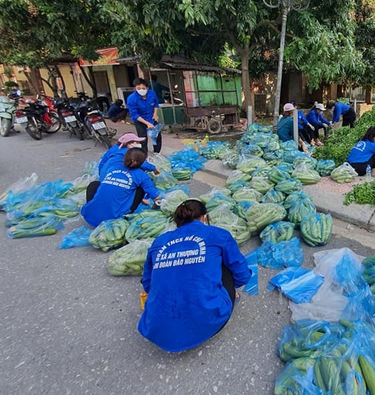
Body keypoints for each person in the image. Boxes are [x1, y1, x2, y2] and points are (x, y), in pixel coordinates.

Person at [138, 199, 251, 353]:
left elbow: (147, 283)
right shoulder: (217, 234)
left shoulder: (160, 241)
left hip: (155, 327)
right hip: (206, 321)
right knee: (224, 264)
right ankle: (227, 300)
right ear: (204, 217)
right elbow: (242, 275)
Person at [81, 148, 161, 228]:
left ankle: (94, 207)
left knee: (95, 184)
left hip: (90, 217)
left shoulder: (112, 168)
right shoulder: (142, 175)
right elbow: (155, 197)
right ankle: (125, 214)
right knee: (141, 189)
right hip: (115, 220)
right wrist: (156, 208)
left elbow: (115, 187)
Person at [127, 78, 162, 154]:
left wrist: (155, 114)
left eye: (143, 88)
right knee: (143, 138)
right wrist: (147, 124)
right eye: (138, 88)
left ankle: (157, 153)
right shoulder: (131, 98)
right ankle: (143, 155)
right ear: (135, 88)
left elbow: (156, 104)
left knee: (156, 136)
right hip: (140, 120)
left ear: (147, 88)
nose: (141, 90)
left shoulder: (152, 93)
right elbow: (134, 114)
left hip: (151, 118)